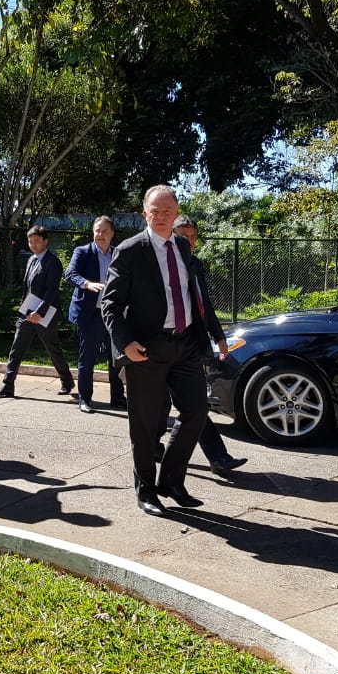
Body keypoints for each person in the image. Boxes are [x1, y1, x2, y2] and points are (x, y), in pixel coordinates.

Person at [100, 185, 228, 517]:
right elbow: (110, 304)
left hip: (185, 345)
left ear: (176, 212)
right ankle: (145, 490)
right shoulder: (130, 251)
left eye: (167, 211)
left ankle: (170, 480)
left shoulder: (183, 246)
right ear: (145, 214)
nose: (161, 217)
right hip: (146, 350)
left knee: (197, 412)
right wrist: (125, 343)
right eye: (154, 212)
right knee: (144, 424)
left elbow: (196, 297)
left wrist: (215, 335)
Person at [170, 215, 246, 476]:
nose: (188, 242)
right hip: (165, 347)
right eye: (182, 236)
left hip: (193, 345)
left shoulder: (195, 264)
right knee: (166, 409)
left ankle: (217, 457)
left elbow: (204, 305)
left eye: (192, 237)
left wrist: (219, 336)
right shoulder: (160, 265)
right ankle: (155, 452)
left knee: (194, 405)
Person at [0, 225, 76, 399]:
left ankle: (67, 381)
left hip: (45, 314)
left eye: (37, 241)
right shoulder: (31, 260)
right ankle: (7, 385)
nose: (33, 244)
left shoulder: (53, 262)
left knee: (52, 348)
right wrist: (23, 310)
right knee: (17, 347)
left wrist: (40, 312)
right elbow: (27, 288)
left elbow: (51, 291)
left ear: (45, 241)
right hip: (27, 313)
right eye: (30, 241)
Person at [64, 215, 125, 413]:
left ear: (112, 234)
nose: (101, 234)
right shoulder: (82, 252)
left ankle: (117, 398)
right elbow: (70, 274)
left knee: (115, 358)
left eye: (105, 231)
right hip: (90, 314)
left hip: (113, 314)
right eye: (97, 230)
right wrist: (87, 284)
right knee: (87, 358)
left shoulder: (118, 253)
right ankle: (84, 399)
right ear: (93, 232)